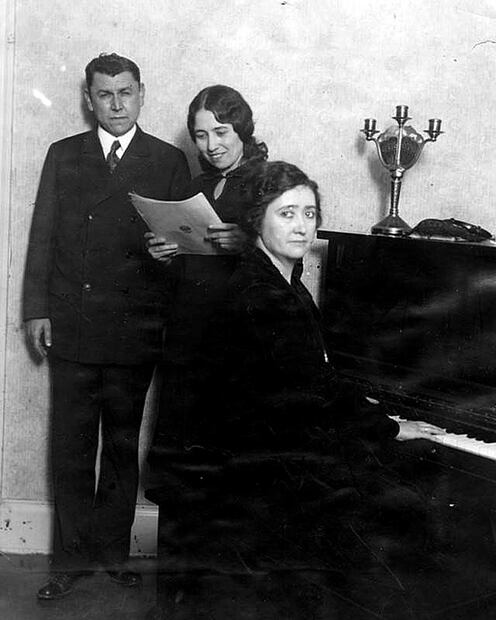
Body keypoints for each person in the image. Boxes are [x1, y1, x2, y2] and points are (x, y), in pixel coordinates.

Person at [148, 160, 446, 618]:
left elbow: (308, 376)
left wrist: (361, 409)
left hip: (267, 445)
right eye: (286, 214)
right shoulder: (261, 293)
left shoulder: (283, 280)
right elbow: (311, 388)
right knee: (398, 488)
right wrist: (387, 425)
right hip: (254, 468)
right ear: (257, 221)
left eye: (309, 214)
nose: (302, 226)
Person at [23, 52, 191, 601]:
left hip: (135, 327)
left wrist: (173, 255)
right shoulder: (64, 154)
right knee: (71, 447)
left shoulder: (167, 160)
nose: (116, 105)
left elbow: (189, 246)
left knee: (121, 445)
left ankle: (112, 554)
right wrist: (36, 309)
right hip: (72, 324)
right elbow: (43, 234)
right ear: (88, 99)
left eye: (125, 93)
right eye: (104, 94)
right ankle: (69, 560)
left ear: (141, 94)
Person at [145, 85, 268, 492]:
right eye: (201, 135)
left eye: (221, 132)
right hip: (187, 340)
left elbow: (292, 266)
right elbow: (181, 269)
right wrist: (164, 254)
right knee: (182, 466)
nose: (211, 145)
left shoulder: (270, 183)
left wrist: (248, 244)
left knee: (226, 467)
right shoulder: (193, 186)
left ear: (242, 130)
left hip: (238, 344)